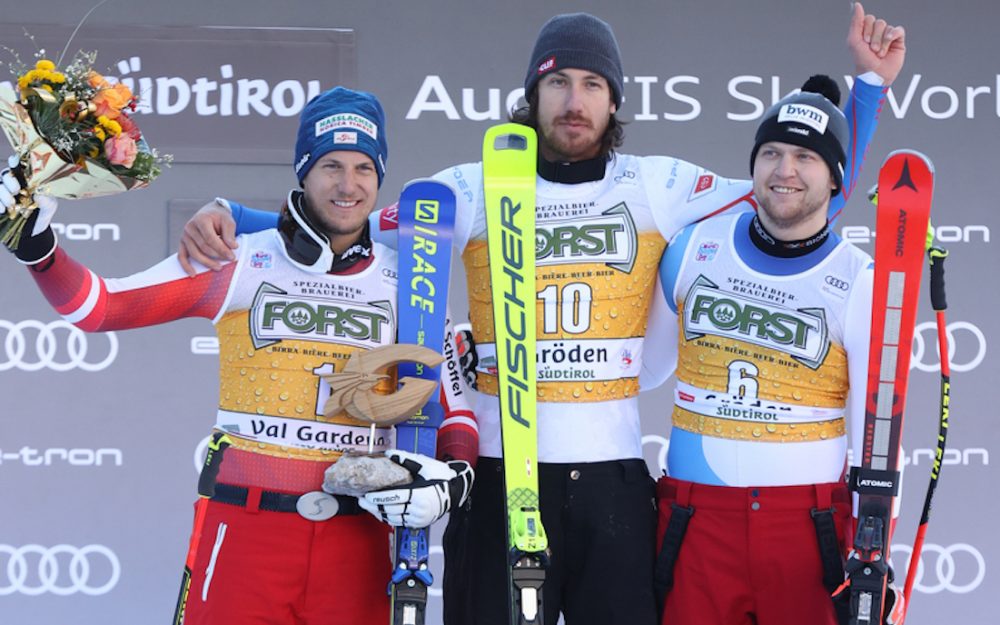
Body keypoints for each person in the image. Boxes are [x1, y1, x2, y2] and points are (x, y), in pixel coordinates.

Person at [176, 6, 905, 624]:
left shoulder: (658, 185)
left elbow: (797, 196)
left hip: (613, 485)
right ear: (534, 93)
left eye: (593, 84)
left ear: (615, 100)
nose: (575, 100)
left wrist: (867, 91)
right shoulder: (472, 185)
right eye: (559, 82)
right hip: (498, 476)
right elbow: (345, 221)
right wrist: (232, 216)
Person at [0, 86, 475, 625]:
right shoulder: (240, 258)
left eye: (364, 167)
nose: (348, 185)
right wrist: (40, 250)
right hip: (244, 529)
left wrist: (453, 479)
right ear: (303, 171)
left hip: (359, 539)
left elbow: (450, 404)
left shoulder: (410, 280)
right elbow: (101, 308)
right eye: (331, 166)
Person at [643, 76, 903, 625]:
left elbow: (876, 434)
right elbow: (643, 370)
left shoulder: (859, 280)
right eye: (771, 153)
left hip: (807, 523)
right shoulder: (693, 249)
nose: (785, 170)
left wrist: (875, 548)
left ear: (836, 178)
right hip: (696, 515)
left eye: (805, 156)